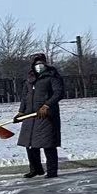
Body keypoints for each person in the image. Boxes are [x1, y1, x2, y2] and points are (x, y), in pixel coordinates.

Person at [16, 51, 64, 179]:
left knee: (48, 144)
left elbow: (58, 93)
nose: (39, 65)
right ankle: (36, 169)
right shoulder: (29, 79)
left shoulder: (52, 76)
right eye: (36, 63)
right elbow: (25, 97)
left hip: (45, 116)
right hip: (30, 116)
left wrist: (47, 105)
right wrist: (21, 112)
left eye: (41, 62)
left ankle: (52, 171)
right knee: (29, 144)